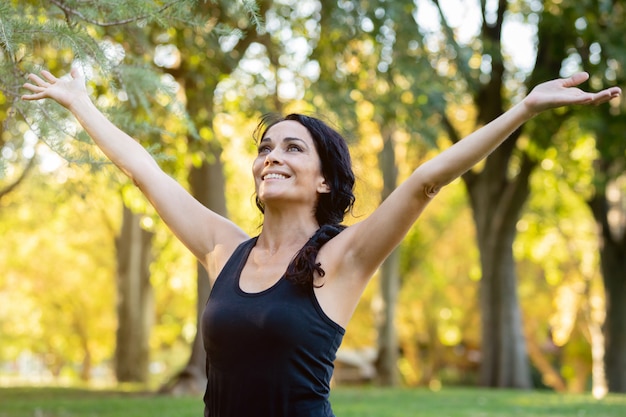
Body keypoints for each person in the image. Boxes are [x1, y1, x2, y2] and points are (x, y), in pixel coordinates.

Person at [22, 68, 620, 417]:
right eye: (265, 148)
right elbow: (145, 174)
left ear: (324, 179)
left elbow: (426, 181)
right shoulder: (223, 248)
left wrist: (524, 107)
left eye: (292, 148)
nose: (271, 158)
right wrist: (81, 104)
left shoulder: (343, 258)